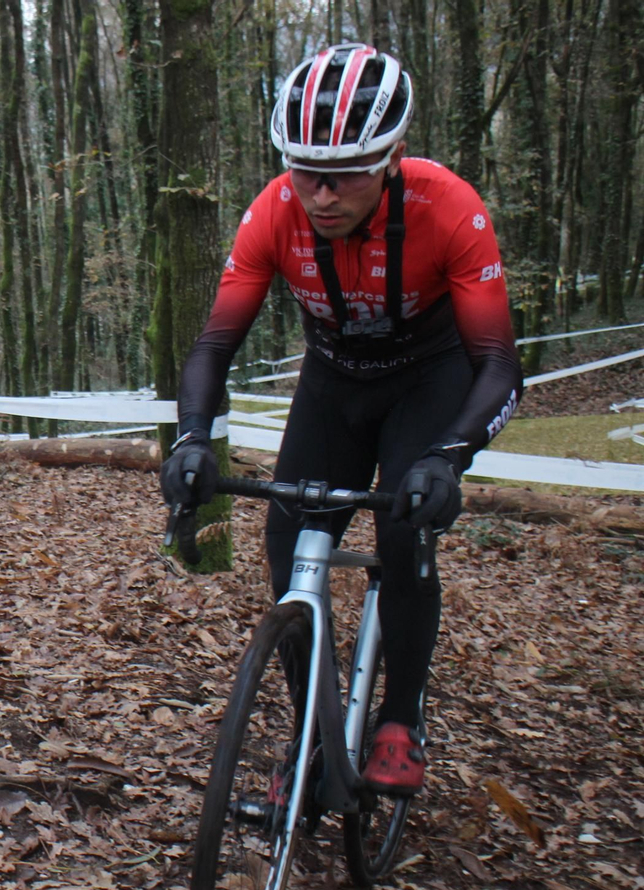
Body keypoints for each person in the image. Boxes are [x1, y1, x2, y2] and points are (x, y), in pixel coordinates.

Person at [160, 43, 522, 795]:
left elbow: (498, 365)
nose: (321, 195)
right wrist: (191, 436)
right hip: (334, 382)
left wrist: (449, 457)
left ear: (392, 157)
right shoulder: (273, 214)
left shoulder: (449, 207)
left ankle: (399, 716)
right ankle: (313, 733)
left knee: (403, 528)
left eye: (345, 173)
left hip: (430, 379)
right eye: (304, 171)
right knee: (288, 538)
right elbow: (213, 346)